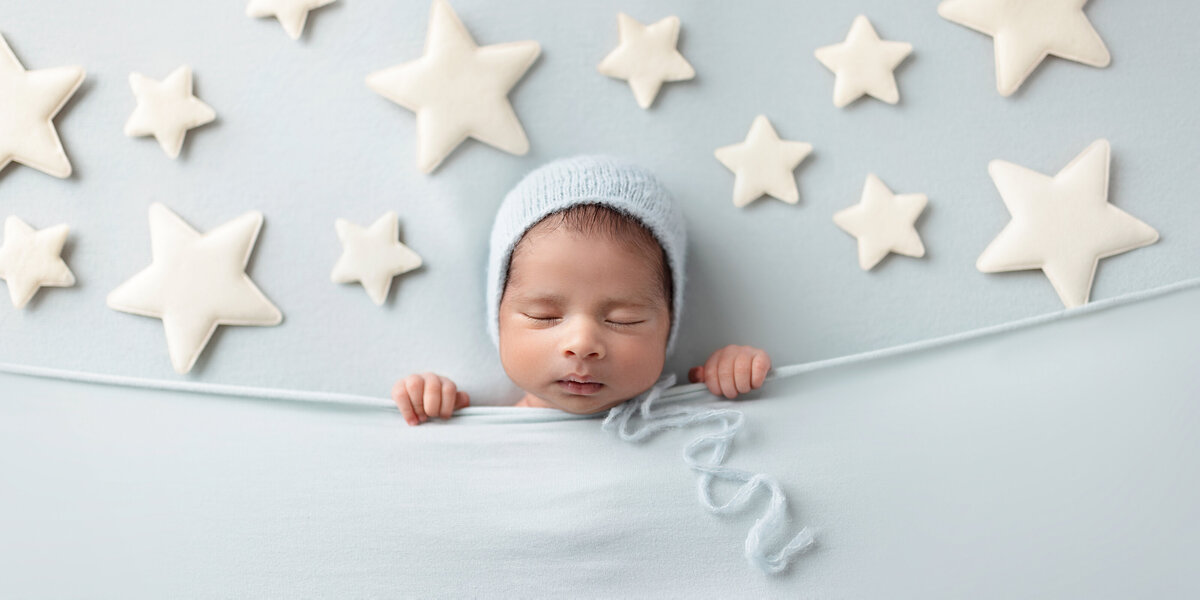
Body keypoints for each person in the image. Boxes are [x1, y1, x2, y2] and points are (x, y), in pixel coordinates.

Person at [392, 155, 771, 425]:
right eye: (545, 316)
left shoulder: (681, 418)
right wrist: (430, 404)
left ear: (669, 324)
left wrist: (732, 375)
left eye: (624, 319)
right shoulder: (490, 427)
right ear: (498, 316)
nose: (582, 343)